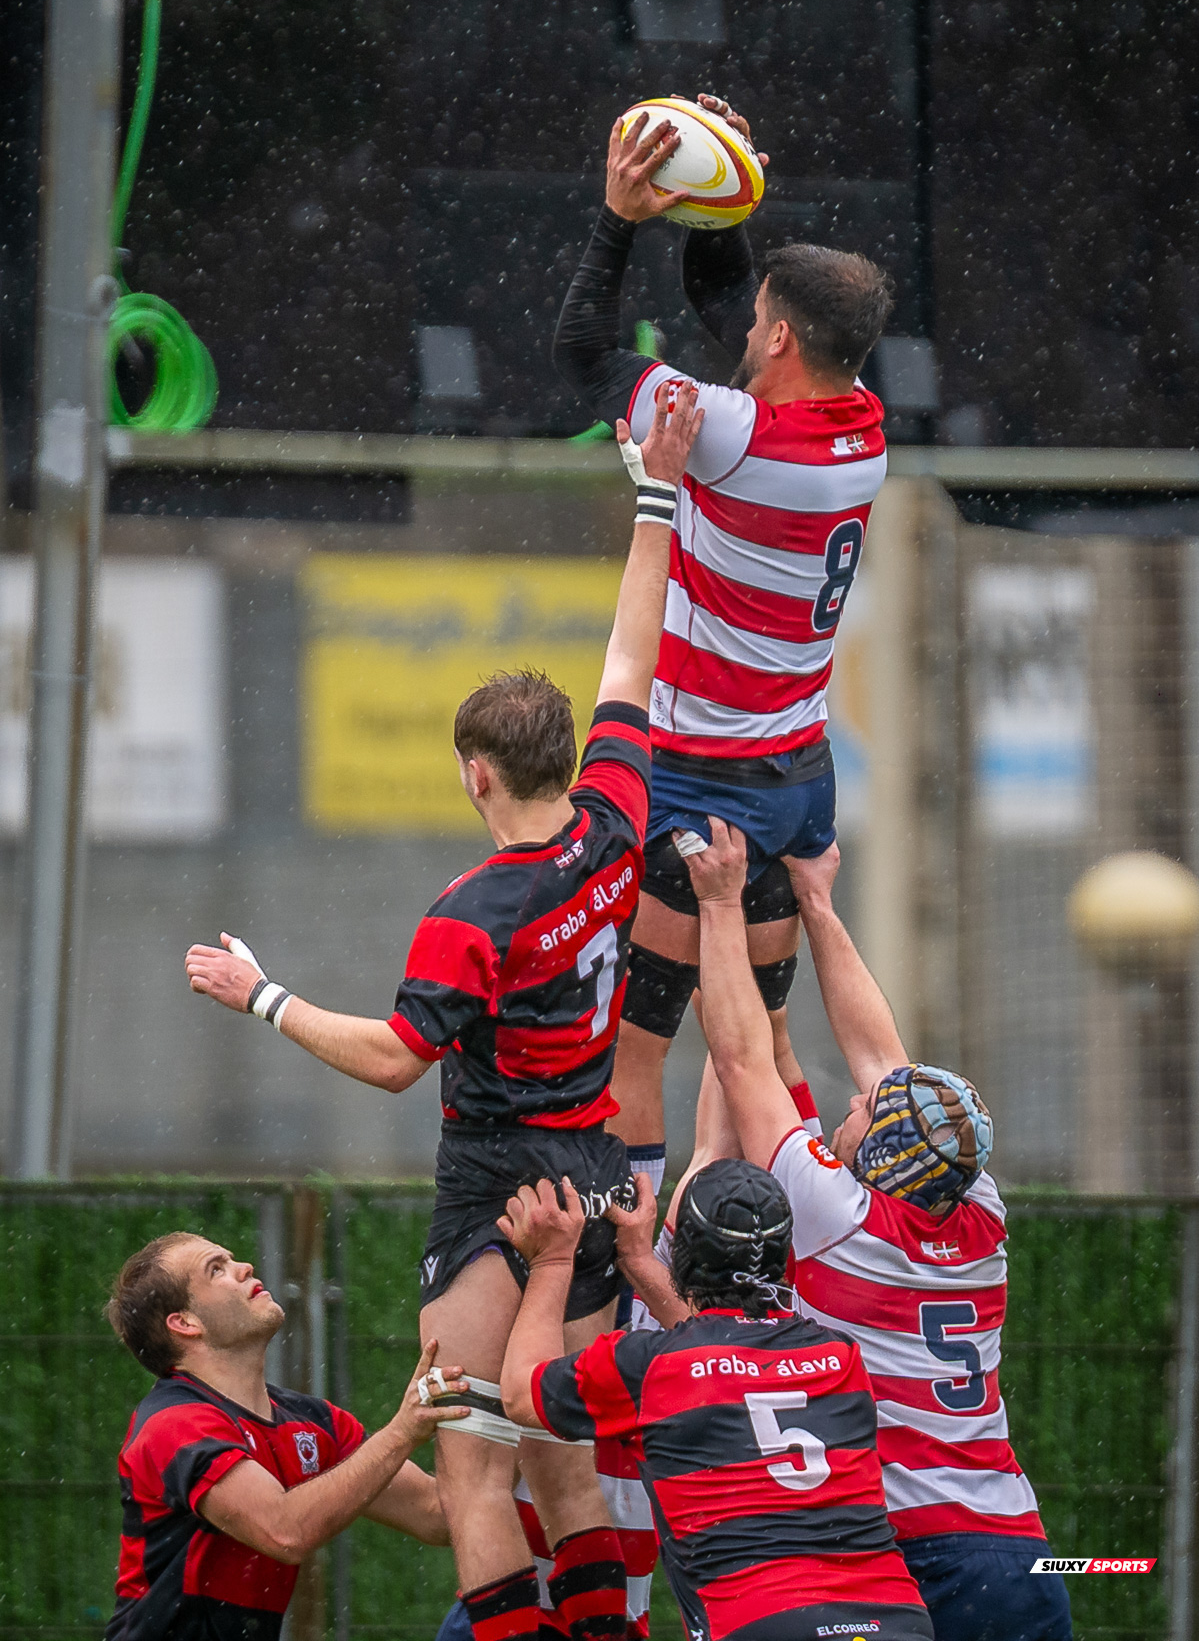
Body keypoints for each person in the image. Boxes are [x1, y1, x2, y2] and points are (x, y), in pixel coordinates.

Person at [184, 384, 705, 1641]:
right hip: (585, 1170)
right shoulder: (612, 819)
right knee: (559, 1452)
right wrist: (655, 498)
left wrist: (261, 995)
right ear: (560, 761)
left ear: (476, 774)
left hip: (493, 1182)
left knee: (475, 1457)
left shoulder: (470, 910)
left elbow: (391, 1061)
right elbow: (630, 655)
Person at [553, 94, 895, 1192]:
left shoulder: (735, 436)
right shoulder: (856, 424)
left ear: (783, 338)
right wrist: (720, 189)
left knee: (634, 1052)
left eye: (760, 320)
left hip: (708, 782)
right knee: (763, 1043)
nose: (740, 325)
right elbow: (717, 298)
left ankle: (641, 1303)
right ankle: (799, 1256)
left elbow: (580, 349)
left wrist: (618, 217)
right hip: (794, 771)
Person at [617, 822, 1072, 1641]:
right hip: (1020, 1549)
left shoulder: (839, 1221)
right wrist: (818, 904)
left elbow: (742, 1063)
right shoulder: (977, 1213)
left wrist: (721, 904)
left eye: (864, 1112)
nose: (852, 1104)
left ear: (886, 1152)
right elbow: (883, 1065)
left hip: (919, 1559)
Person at [495, 1169, 934, 1641]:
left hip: (759, 1624)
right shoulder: (842, 1360)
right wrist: (639, 1260)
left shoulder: (648, 1367)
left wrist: (553, 1262)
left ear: (683, 1257)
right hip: (891, 1619)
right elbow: (733, 1352)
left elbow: (521, 1393)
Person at [103, 1230, 462, 1641]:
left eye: (231, 1258)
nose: (245, 1268)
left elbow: (437, 1516)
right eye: (216, 1269)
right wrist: (401, 1431)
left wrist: (524, 1412)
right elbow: (284, 1531)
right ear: (185, 1323)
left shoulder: (313, 1421)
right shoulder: (173, 1424)